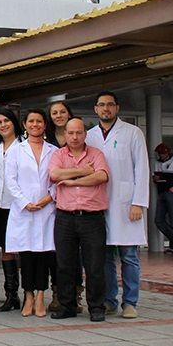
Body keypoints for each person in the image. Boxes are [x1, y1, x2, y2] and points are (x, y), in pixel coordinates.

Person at [86, 91, 149, 319]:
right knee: (104, 256)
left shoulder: (132, 132)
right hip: (98, 203)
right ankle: (109, 300)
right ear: (96, 109)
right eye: (102, 105)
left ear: (117, 108)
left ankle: (130, 302)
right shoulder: (89, 136)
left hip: (125, 204)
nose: (106, 109)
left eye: (110, 105)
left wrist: (138, 203)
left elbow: (142, 168)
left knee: (129, 255)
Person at [49, 117, 110, 322]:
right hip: (65, 217)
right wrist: (83, 172)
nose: (75, 137)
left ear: (85, 134)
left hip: (92, 218)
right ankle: (67, 306)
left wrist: (71, 181)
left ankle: (96, 307)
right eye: (71, 133)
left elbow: (101, 176)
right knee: (65, 264)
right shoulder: (58, 154)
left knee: (95, 265)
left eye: (78, 132)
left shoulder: (96, 154)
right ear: (65, 134)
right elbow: (54, 174)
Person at [4, 109, 57, 318]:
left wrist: (47, 199)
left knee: (44, 254)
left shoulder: (54, 151)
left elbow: (57, 180)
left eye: (39, 121)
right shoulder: (16, 150)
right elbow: (10, 180)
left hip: (46, 209)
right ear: (25, 124)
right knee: (26, 255)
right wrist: (25, 203)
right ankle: (28, 295)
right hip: (23, 210)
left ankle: (41, 295)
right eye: (31, 121)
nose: (35, 124)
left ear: (45, 125)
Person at [43, 100, 77, 313]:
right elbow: (52, 174)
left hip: (76, 200)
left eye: (62, 111)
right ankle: (58, 293)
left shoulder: (78, 137)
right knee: (56, 251)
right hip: (50, 201)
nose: (58, 115)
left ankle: (77, 293)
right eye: (54, 112)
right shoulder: (46, 139)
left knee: (75, 253)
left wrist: (69, 177)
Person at [0, 107, 23, 313]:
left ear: (14, 122)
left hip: (18, 205)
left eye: (6, 121)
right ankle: (11, 294)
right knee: (5, 248)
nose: (3, 125)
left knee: (21, 249)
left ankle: (29, 292)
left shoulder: (24, 145)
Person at [153, 143, 173, 253]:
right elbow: (155, 177)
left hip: (171, 192)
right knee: (159, 220)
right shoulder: (157, 163)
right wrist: (156, 178)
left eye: (164, 153)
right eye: (160, 153)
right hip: (161, 192)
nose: (162, 155)